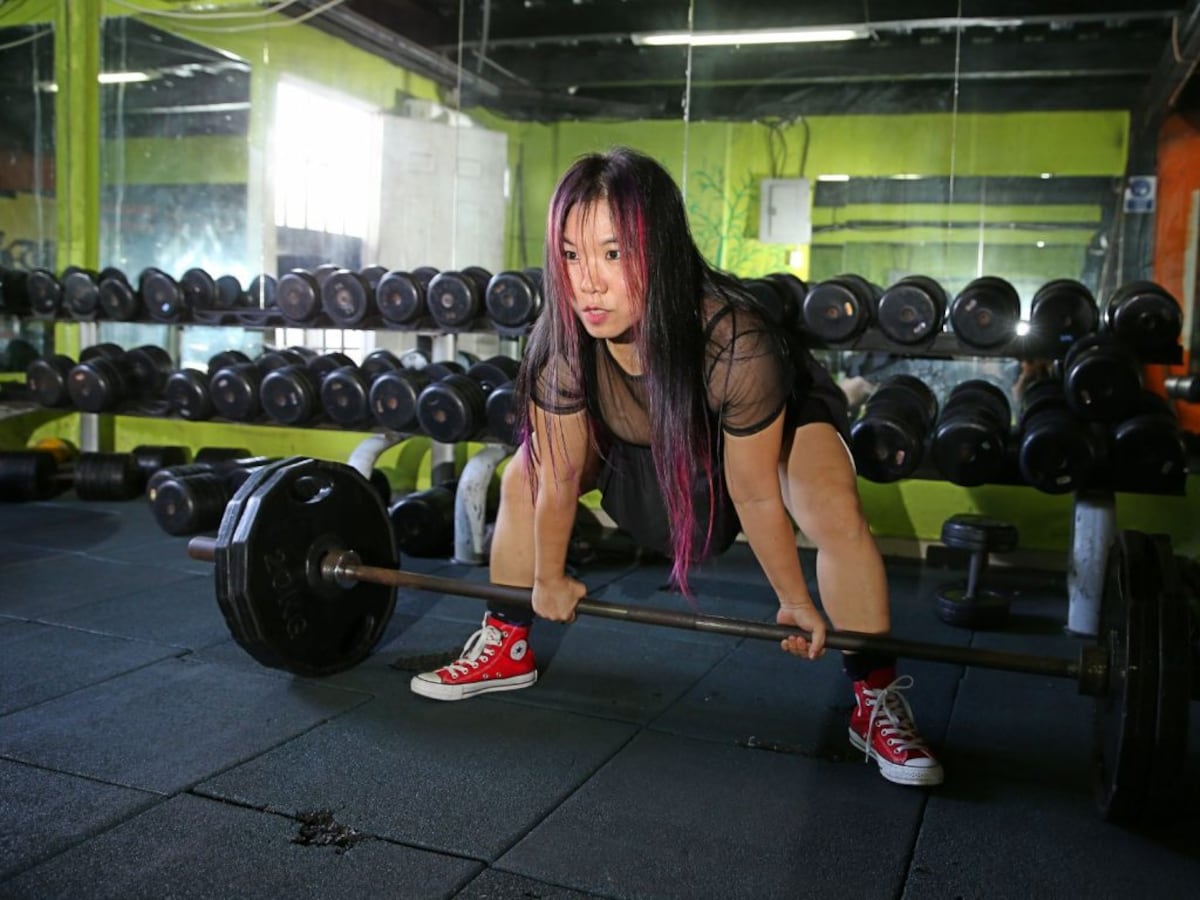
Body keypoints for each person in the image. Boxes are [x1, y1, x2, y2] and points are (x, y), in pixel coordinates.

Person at [410, 147, 943, 787]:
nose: (589, 283)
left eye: (613, 254)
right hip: (641, 436)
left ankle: (874, 695)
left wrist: (794, 600)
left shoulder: (733, 341)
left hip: (754, 430)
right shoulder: (564, 341)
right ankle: (507, 639)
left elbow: (750, 492)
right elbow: (555, 478)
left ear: (658, 251)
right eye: (572, 256)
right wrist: (548, 578)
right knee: (525, 469)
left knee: (829, 498)